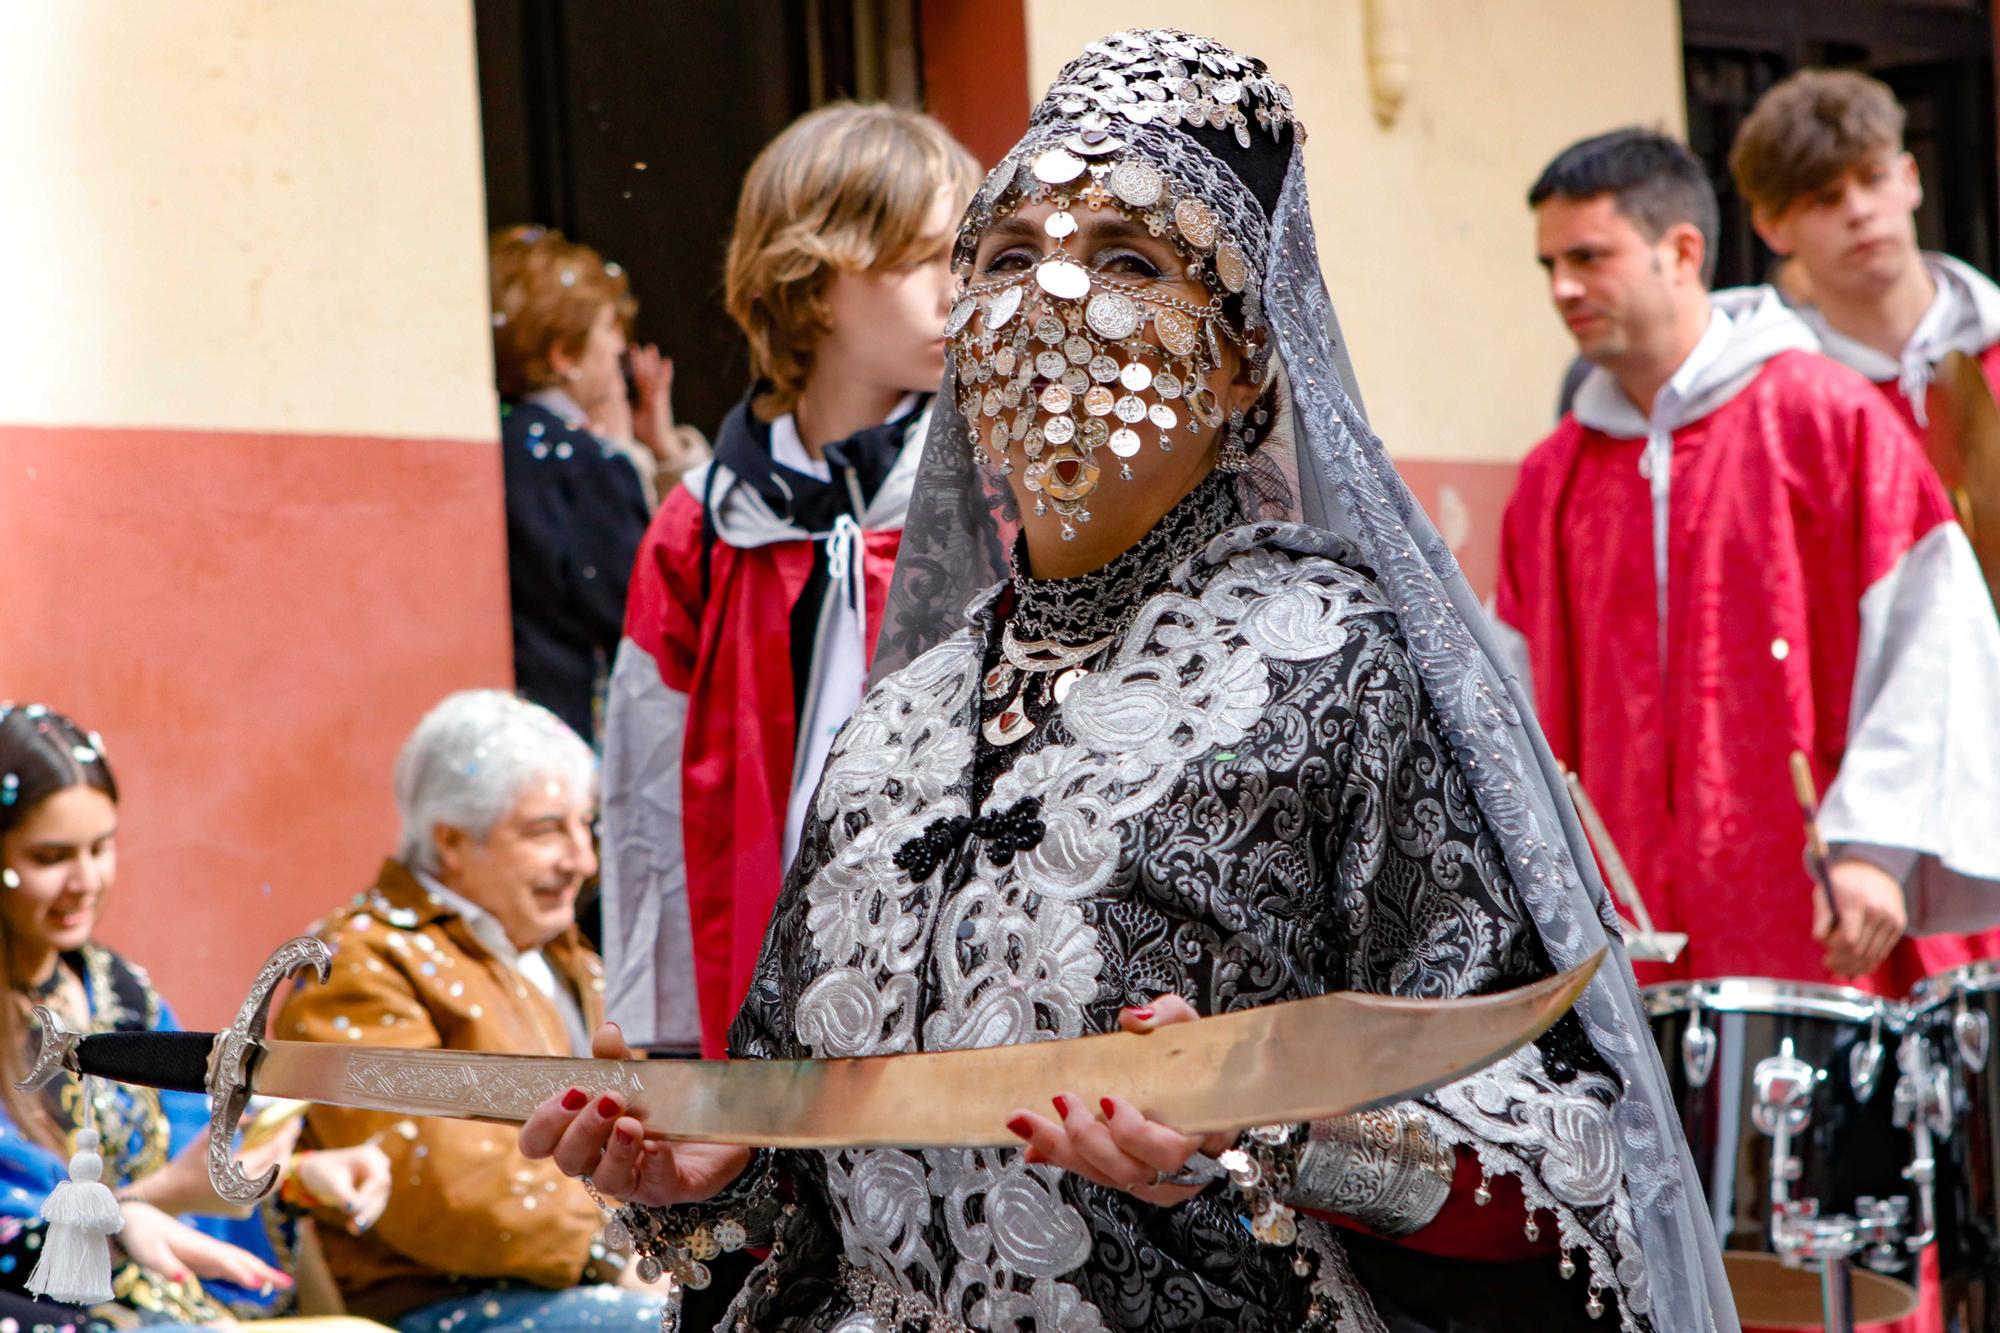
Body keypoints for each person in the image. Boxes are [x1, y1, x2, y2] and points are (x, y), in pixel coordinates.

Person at [523, 30, 1741, 1333]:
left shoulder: (1335, 660)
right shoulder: (903, 716)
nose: (1049, 296)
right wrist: (702, 1173)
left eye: (1126, 259)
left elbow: (1546, 1150)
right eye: (1003, 255)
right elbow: (809, 1154)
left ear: (1238, 364)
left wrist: (1282, 1130)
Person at [1496, 128, 2000, 993]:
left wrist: (1876, 849)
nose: (1565, 288)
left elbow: (1937, 638)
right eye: (1550, 267)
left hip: (1821, 923)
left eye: (1589, 257)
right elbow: (1507, 701)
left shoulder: (1824, 415)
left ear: (1681, 250)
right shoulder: (1552, 477)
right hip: (1629, 948)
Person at [598, 104, 978, 1058]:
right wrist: (671, 1041)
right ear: (812, 281)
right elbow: (646, 792)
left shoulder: (997, 499)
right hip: (760, 1002)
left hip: (960, 999)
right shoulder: (705, 527)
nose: (960, 291)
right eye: (924, 257)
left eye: (970, 255)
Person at [274, 690, 668, 1333]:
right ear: (452, 842)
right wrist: (617, 1246)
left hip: (584, 1281)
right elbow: (433, 1184)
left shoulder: (561, 954)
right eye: (546, 831)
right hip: (436, 1302)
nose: (583, 861)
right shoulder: (361, 963)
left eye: (584, 825)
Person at [0, 703, 390, 1329]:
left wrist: (290, 1179)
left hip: (166, 1302)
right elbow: (19, 1231)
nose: (86, 880)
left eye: (101, 848)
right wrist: (138, 1213)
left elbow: (189, 1153)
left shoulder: (120, 992)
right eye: (51, 858)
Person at [489, 225, 703, 745]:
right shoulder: (589, 462)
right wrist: (630, 456)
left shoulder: (496, 442)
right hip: (580, 728)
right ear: (563, 354)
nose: (620, 347)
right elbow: (643, 615)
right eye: (608, 328)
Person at [1730, 69, 2000, 435]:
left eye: (1873, 178)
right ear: (1772, 227)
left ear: (1909, 177)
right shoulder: (1769, 405)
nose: (1859, 211)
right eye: (1824, 199)